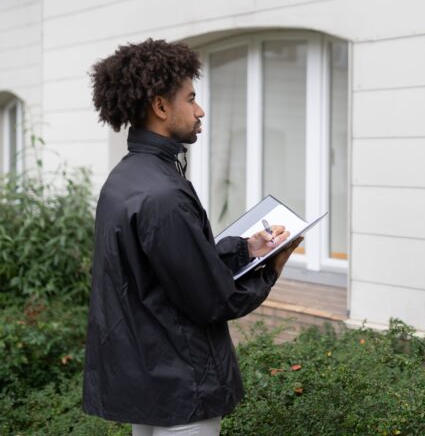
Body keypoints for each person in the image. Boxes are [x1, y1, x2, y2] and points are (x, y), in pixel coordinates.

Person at [82, 38, 301, 436]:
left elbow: (165, 272)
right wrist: (270, 268)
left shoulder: (125, 179)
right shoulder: (163, 193)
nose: (200, 111)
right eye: (191, 98)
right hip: (184, 387)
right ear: (161, 107)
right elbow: (213, 300)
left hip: (148, 382)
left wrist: (244, 248)